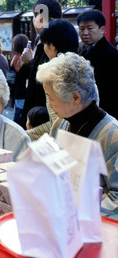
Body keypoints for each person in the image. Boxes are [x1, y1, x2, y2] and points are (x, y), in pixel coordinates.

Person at [37, 52, 117, 218]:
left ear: (75, 97)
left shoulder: (112, 135)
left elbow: (116, 200)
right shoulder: (60, 125)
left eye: (51, 98)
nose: (49, 105)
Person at [26, 18, 79, 141]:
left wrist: (25, 134)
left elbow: (57, 124)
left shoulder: (55, 75)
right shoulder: (82, 67)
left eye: (45, 44)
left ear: (53, 46)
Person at [19, 0, 62, 128]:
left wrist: (30, 62)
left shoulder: (53, 42)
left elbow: (48, 74)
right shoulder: (40, 40)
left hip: (44, 111)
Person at [77, 9, 118, 119]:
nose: (85, 33)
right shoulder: (85, 51)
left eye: (90, 28)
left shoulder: (110, 55)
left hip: (104, 114)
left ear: (102, 29)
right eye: (81, 29)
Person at [7, 34, 31, 125]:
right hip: (27, 92)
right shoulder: (29, 59)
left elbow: (10, 80)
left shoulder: (15, 59)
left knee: (19, 117)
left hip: (18, 92)